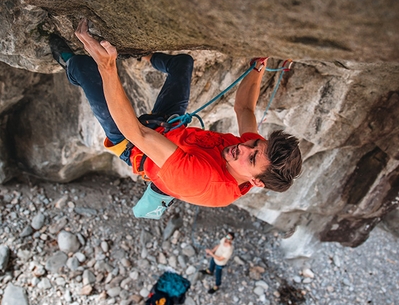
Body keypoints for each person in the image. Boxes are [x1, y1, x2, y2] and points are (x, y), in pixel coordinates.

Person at [49, 18, 302, 212]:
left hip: (135, 144)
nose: (243, 147)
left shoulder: (202, 180)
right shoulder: (252, 154)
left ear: (256, 182)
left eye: (251, 158)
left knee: (85, 67)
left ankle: (66, 61)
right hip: (169, 127)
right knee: (183, 64)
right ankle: (143, 54)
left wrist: (107, 67)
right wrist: (259, 64)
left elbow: (137, 133)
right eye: (254, 144)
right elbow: (245, 108)